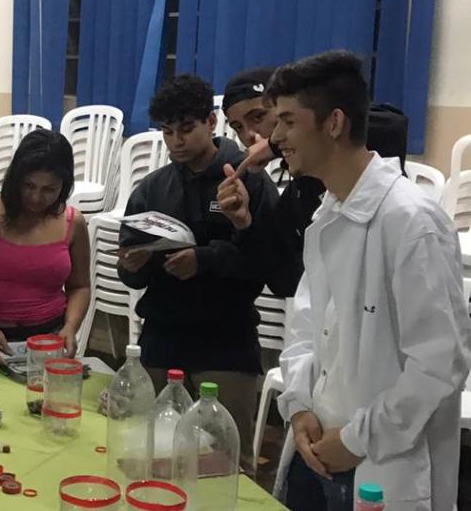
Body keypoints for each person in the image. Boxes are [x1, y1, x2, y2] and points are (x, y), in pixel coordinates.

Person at [229, 50, 468, 511]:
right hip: (316, 446)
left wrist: (358, 438)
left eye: (288, 122)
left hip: (379, 459)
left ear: (334, 123)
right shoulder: (328, 212)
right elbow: (306, 328)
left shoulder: (411, 221)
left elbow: (440, 363)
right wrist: (299, 405)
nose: (276, 138)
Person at [116, 74, 279, 475]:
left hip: (226, 340)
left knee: (227, 465)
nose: (176, 141)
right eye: (167, 131)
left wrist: (204, 260)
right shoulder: (152, 189)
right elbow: (132, 270)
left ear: (210, 121)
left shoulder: (249, 180)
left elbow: (266, 263)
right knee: (146, 456)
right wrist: (132, 266)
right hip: (162, 335)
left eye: (186, 129)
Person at [0, 129, 91, 362]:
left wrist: (70, 326)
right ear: (15, 178)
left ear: (64, 186)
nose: (36, 197)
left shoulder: (73, 222)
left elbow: (80, 286)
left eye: (49, 190)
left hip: (49, 336)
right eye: (28, 185)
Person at [220, 67, 326, 296]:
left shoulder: (343, 164)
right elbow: (283, 282)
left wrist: (274, 146)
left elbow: (386, 126)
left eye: (258, 117)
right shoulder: (296, 193)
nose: (249, 135)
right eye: (238, 127)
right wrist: (243, 222)